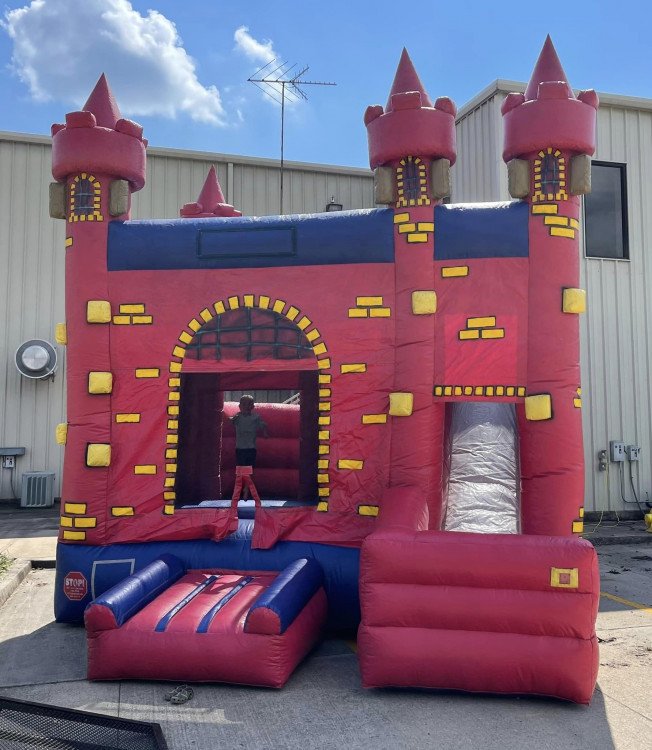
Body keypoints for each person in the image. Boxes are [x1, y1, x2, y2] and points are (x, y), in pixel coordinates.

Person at [228, 395, 269, 499]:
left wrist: (265, 433)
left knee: (249, 470)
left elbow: (263, 425)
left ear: (253, 406)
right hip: (240, 448)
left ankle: (246, 489)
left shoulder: (256, 417)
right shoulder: (238, 417)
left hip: (251, 448)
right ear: (240, 406)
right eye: (244, 404)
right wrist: (232, 418)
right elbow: (231, 421)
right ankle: (240, 489)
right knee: (241, 470)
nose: (247, 407)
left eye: (249, 404)